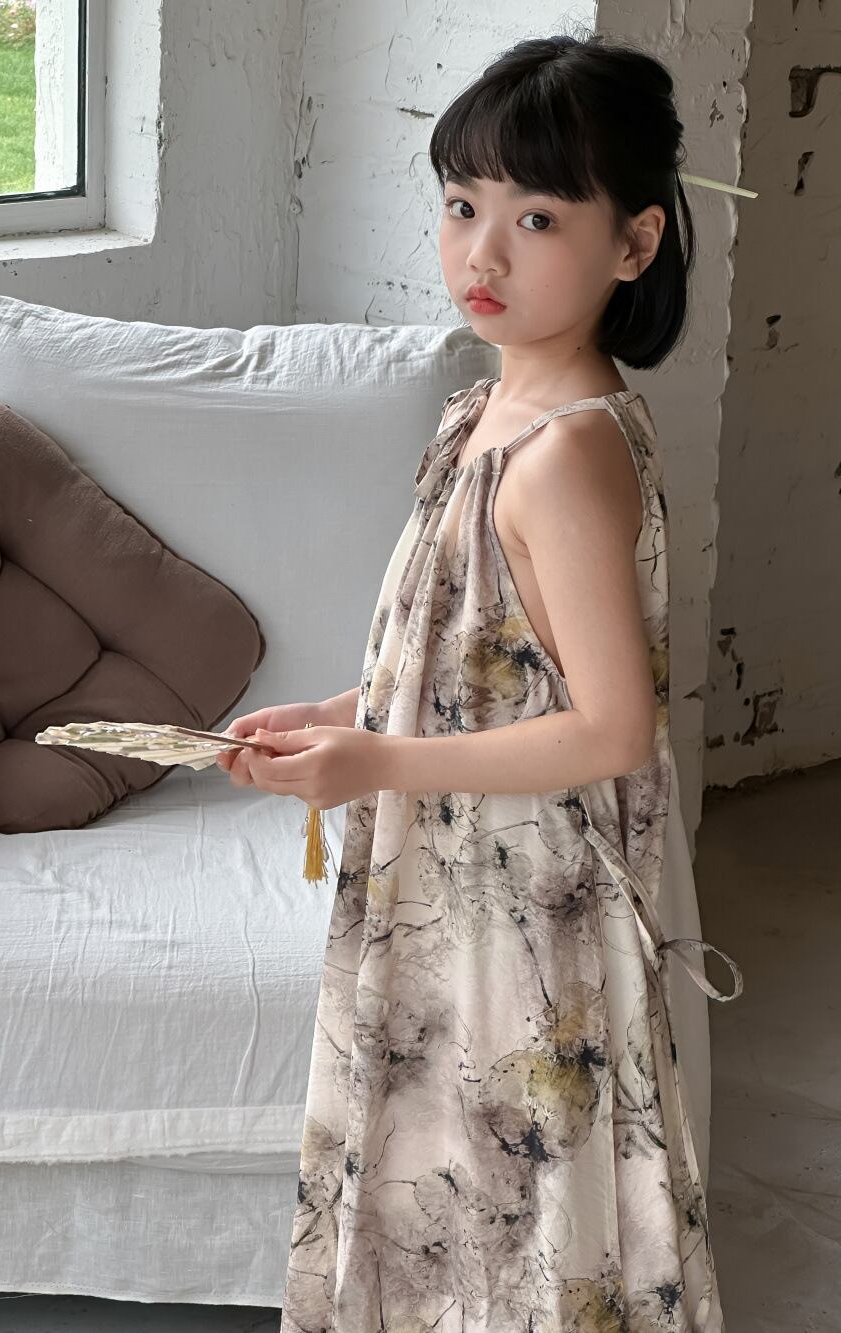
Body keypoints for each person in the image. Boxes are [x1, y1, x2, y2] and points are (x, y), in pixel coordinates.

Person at [215, 28, 743, 1332]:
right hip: (449, 878)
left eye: (537, 218)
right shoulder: (481, 414)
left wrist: (374, 761)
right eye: (463, 205)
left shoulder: (565, 454)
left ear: (635, 243)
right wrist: (339, 716)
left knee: (515, 1235)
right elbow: (472, 663)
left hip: (525, 911)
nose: (482, 254)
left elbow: (610, 727)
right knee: (441, 1207)